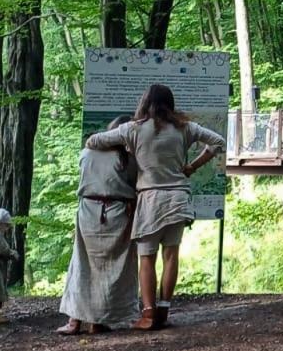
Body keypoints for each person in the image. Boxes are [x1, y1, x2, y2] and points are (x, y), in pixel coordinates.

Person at [85, 84, 226, 331]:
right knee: (171, 255)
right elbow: (217, 142)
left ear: (145, 103)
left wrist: (125, 150)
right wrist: (192, 167)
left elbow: (94, 141)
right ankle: (163, 309)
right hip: (178, 197)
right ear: (169, 104)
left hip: (150, 199)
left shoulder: (134, 129)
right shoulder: (185, 128)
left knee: (146, 257)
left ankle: (148, 315)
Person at [58, 115, 140, 335]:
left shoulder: (86, 154)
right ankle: (98, 321)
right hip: (119, 213)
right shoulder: (129, 161)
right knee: (113, 269)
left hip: (88, 211)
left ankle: (75, 320)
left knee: (82, 265)